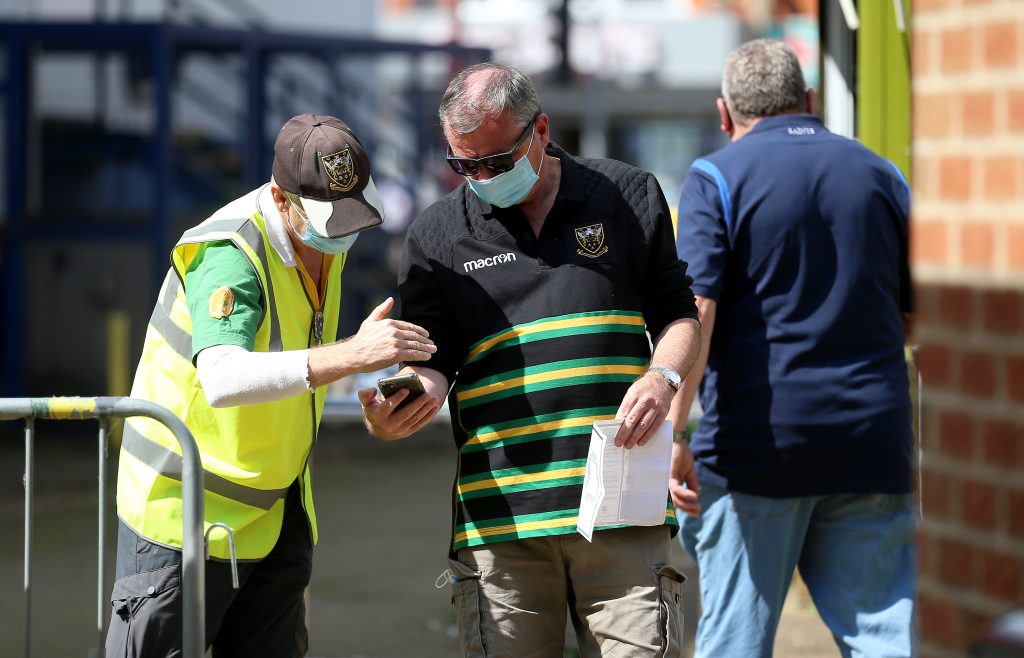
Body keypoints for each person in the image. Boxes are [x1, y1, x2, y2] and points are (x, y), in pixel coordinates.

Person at [360, 62, 702, 657]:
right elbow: (431, 361)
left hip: (623, 511)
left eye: (494, 162)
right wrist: (404, 398)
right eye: (462, 165)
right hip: (502, 527)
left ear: (540, 130)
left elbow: (679, 315)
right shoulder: (437, 235)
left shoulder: (627, 194)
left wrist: (663, 378)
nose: (479, 177)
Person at [105, 113, 436, 656]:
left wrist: (380, 394)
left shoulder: (320, 238)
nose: (347, 234)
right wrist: (353, 354)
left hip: (277, 515)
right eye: (334, 221)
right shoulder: (229, 256)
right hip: (182, 521)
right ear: (283, 200)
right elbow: (222, 377)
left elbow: (299, 360)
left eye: (356, 217)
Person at [667, 39, 916, 658]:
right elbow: (913, 314)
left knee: (734, 643)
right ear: (810, 100)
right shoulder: (882, 173)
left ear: (725, 115)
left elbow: (698, 311)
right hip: (872, 443)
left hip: (759, 452)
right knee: (889, 638)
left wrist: (673, 434)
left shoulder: (715, 177)